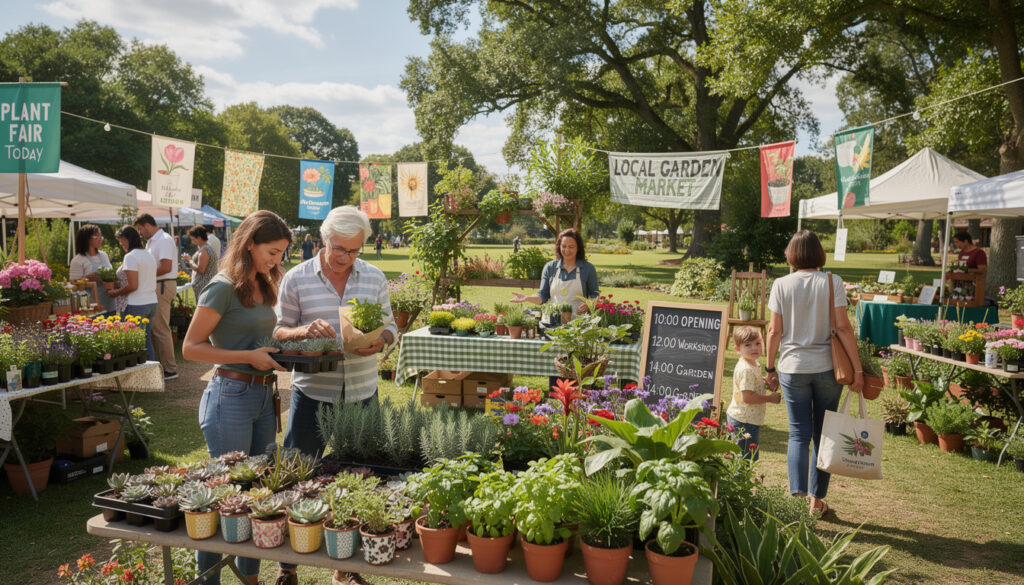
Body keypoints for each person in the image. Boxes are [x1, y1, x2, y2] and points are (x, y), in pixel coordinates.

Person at [274, 206, 395, 585]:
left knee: (357, 478)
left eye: (354, 251)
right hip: (313, 393)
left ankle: (346, 569)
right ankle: (287, 567)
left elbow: (390, 324)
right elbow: (278, 331)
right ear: (323, 240)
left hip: (362, 391)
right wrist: (303, 330)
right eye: (338, 248)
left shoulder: (373, 277)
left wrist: (380, 342)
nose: (344, 257)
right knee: (298, 474)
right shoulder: (296, 278)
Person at [182, 210, 291, 585]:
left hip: (262, 397)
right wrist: (248, 356)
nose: (278, 261)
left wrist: (286, 342)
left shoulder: (263, 282)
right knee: (224, 497)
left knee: (259, 494)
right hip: (230, 396)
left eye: (281, 254)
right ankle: (209, 580)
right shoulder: (222, 286)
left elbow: (258, 334)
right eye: (273, 252)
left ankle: (250, 579)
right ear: (250, 244)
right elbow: (191, 348)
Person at [764, 230, 863, 518]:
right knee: (824, 434)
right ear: (819, 253)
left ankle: (797, 499)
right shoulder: (832, 282)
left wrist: (769, 368)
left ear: (792, 255)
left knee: (798, 433)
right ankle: (816, 501)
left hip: (792, 368)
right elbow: (843, 328)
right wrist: (857, 370)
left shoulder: (781, 284)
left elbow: (774, 331)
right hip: (828, 369)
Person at [510, 228, 599, 318]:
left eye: (571, 247)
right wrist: (527, 298)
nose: (567, 250)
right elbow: (543, 296)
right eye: (563, 246)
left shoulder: (588, 268)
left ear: (578, 248)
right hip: (552, 322)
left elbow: (595, 295)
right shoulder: (550, 267)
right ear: (559, 247)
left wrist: (588, 304)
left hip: (578, 323)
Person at [134, 214, 179, 380]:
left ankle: (170, 369)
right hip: (158, 285)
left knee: (161, 329)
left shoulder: (163, 240)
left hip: (162, 285)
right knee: (157, 328)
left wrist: (143, 275)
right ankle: (163, 366)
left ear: (147, 225)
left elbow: (166, 267)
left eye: (140, 228)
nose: (140, 232)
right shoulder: (154, 240)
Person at [725, 326, 781, 460]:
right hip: (744, 422)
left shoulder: (752, 363)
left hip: (746, 419)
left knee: (744, 458)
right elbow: (748, 397)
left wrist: (764, 381)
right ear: (737, 349)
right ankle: (739, 481)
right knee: (744, 460)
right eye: (748, 345)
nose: (754, 348)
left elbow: (749, 386)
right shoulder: (746, 370)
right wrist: (769, 398)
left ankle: (740, 480)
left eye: (758, 343)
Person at [108, 226, 158, 360]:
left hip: (136, 304)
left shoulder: (130, 256)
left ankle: (140, 377)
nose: (120, 244)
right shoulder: (148, 254)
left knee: (135, 344)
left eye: (121, 241)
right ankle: (152, 377)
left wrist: (116, 292)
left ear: (126, 239)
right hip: (151, 302)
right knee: (146, 341)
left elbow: (133, 286)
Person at [68, 224, 115, 313]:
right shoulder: (78, 260)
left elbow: (111, 276)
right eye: (97, 236)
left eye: (101, 236)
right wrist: (86, 279)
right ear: (87, 239)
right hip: (92, 307)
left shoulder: (104, 255)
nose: (101, 239)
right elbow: (73, 285)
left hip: (110, 304)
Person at [182, 225, 219, 297]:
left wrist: (189, 260)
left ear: (199, 238)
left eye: (193, 239)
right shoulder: (206, 248)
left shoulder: (204, 251)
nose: (192, 242)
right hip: (206, 286)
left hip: (204, 287)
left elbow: (201, 269)